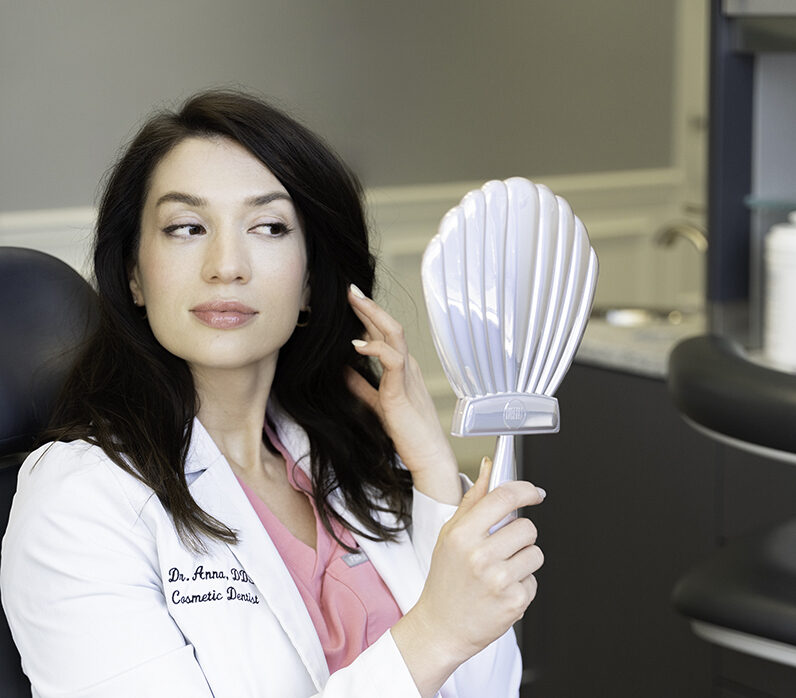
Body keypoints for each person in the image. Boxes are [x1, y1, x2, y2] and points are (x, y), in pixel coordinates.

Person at [0, 90, 544, 698]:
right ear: (134, 272)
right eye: (186, 227)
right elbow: (445, 638)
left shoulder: (353, 454)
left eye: (269, 226)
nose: (226, 265)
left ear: (311, 280)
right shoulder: (80, 499)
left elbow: (488, 687)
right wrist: (433, 635)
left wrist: (435, 477)